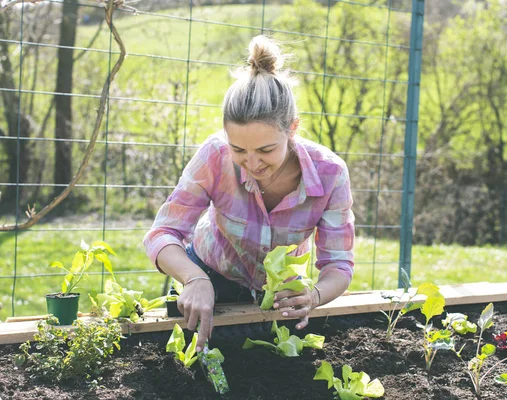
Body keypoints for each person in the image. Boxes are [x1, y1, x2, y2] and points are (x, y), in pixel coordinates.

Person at [144, 35, 354, 352]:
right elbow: (162, 233)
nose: (252, 163)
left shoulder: (330, 175)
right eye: (238, 149)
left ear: (293, 129)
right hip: (210, 278)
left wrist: (313, 296)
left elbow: (338, 265)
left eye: (266, 149)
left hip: (279, 297)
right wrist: (194, 279)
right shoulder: (214, 156)